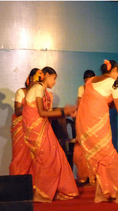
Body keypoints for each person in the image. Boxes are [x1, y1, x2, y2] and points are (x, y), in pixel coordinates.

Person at [76, 60, 118, 203]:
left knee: (99, 160)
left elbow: (101, 103)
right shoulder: (113, 83)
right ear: (115, 70)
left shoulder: (91, 81)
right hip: (97, 126)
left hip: (84, 125)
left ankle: (100, 194)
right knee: (111, 159)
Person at [22, 66, 79, 202]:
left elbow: (46, 115)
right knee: (48, 160)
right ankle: (42, 194)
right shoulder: (38, 88)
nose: (54, 82)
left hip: (42, 127)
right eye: (53, 78)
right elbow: (41, 113)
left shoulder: (43, 91)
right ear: (46, 75)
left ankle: (55, 190)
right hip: (36, 129)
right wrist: (65, 112)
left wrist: (65, 111)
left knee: (57, 156)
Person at [9, 68, 43, 175]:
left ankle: (33, 187)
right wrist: (31, 108)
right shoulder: (21, 92)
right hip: (21, 129)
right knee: (19, 157)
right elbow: (18, 111)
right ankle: (17, 187)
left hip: (35, 130)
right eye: (38, 80)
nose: (39, 83)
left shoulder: (40, 93)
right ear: (31, 78)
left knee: (36, 158)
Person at [73, 69, 96, 186]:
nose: (87, 84)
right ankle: (84, 177)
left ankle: (94, 177)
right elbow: (80, 104)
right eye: (86, 81)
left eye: (90, 81)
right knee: (81, 148)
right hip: (83, 120)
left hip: (95, 121)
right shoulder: (81, 89)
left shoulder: (98, 89)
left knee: (94, 147)